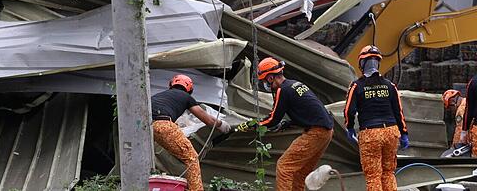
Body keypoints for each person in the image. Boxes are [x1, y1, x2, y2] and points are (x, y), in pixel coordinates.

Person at [240, 57, 334, 191]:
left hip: (316, 133)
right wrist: (287, 124)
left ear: (271, 77)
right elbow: (309, 111)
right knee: (299, 173)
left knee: (284, 167)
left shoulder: (282, 90)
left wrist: (253, 124)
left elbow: (273, 118)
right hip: (327, 132)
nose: (265, 84)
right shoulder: (295, 84)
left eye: (265, 80)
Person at [344, 46, 409, 191]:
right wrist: (404, 133)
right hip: (391, 132)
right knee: (388, 172)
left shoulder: (357, 86)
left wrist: (349, 127)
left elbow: (349, 110)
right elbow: (398, 112)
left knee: (373, 176)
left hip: (370, 133)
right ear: (378, 63)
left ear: (361, 63)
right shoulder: (390, 86)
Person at [151, 74, 231, 191]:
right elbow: (207, 119)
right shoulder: (186, 97)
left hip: (149, 128)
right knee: (192, 159)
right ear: (190, 89)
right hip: (165, 125)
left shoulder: (158, 96)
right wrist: (221, 125)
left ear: (171, 85)